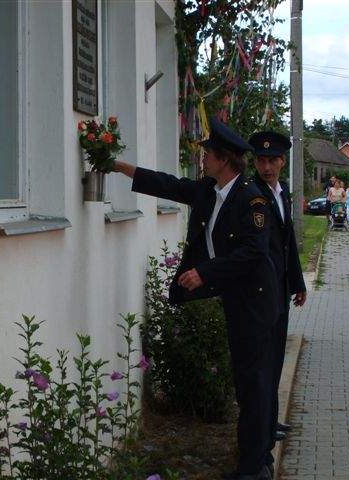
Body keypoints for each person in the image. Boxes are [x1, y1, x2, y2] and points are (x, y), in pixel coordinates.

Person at [110, 118, 278, 480]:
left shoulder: (252, 197)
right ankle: (257, 460)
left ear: (225, 159)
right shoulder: (210, 190)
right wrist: (125, 169)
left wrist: (206, 272)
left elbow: (254, 252)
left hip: (255, 302)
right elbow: (171, 185)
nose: (201, 159)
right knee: (247, 382)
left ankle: (254, 467)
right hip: (237, 297)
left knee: (253, 385)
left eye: (207, 154)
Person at [248, 132, 307, 458]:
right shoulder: (253, 194)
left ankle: (271, 423)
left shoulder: (281, 194)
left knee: (275, 362)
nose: (266, 166)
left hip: (280, 291)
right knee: (265, 363)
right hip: (262, 294)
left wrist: (297, 283)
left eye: (272, 160)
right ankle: (265, 426)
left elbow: (287, 245)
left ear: (283, 161)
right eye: (261, 160)